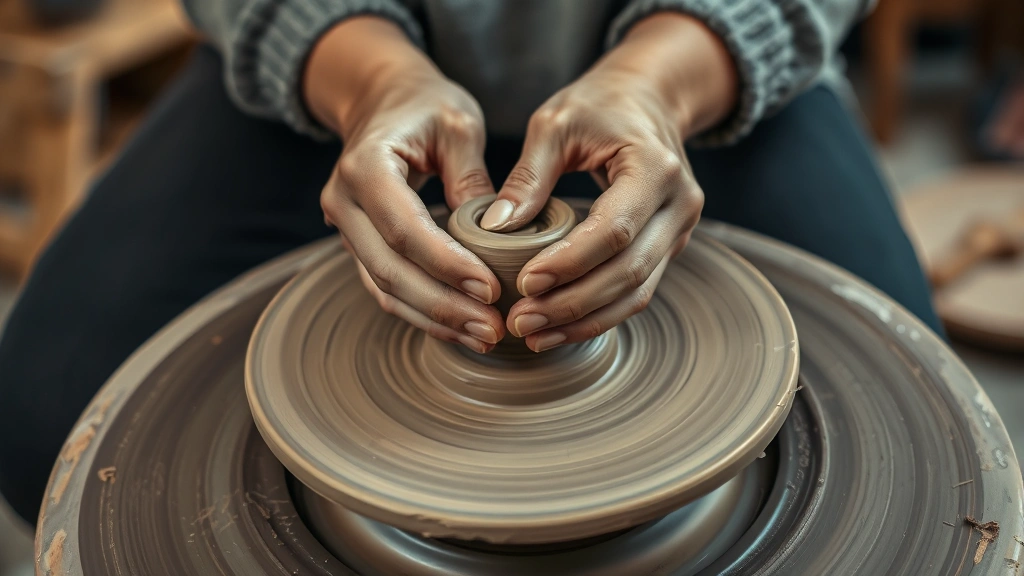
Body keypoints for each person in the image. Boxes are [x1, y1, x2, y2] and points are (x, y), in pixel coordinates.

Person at [0, 0, 942, 527]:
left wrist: (658, 83)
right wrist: (369, 78)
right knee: (50, 412)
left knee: (909, 447)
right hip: (338, 59)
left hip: (699, 62)